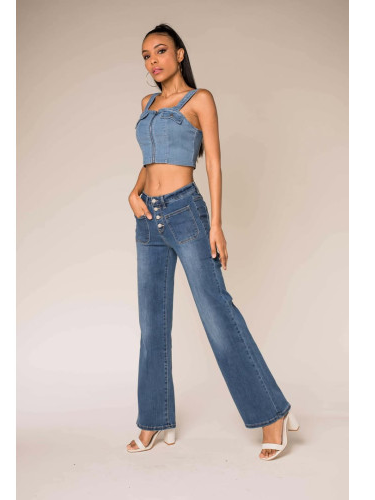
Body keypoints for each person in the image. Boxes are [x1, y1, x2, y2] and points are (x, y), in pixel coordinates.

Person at [126, 24, 299, 461]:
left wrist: (216, 225)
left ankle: (272, 413)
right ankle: (154, 418)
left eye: (160, 51)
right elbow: (150, 162)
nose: (153, 61)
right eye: (146, 56)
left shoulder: (199, 99)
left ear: (180, 54)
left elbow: (214, 164)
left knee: (217, 314)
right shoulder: (147, 104)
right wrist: (134, 191)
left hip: (186, 214)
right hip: (148, 220)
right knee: (152, 323)